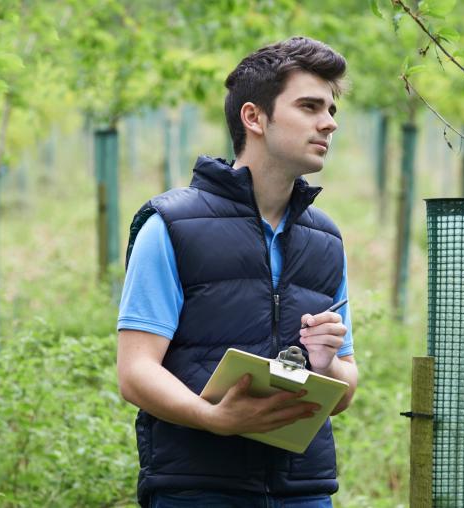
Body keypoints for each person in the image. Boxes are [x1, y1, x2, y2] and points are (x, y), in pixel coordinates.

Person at [116, 36, 359, 508]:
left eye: (331, 109)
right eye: (309, 106)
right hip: (199, 489)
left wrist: (327, 364)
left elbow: (345, 387)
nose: (328, 123)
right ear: (254, 117)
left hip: (303, 493)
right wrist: (213, 419)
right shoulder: (171, 225)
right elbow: (135, 372)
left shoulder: (326, 239)